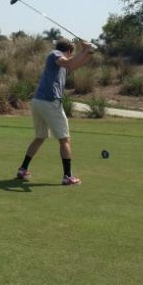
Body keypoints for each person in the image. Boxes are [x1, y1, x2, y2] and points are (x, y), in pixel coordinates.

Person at [16, 38, 93, 186]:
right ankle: (67, 176)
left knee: (40, 137)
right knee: (64, 140)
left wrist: (88, 52)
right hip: (50, 102)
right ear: (69, 51)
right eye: (71, 54)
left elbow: (76, 64)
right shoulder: (56, 54)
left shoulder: (63, 65)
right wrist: (84, 50)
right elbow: (70, 62)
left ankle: (22, 169)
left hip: (38, 102)